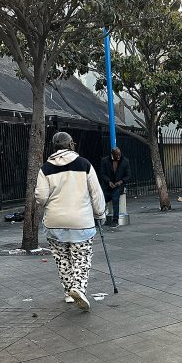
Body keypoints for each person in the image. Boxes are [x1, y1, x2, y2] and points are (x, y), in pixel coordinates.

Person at [36, 132, 106, 311]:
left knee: (62, 258)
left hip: (54, 221)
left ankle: (68, 292)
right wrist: (100, 213)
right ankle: (79, 288)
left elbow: (41, 197)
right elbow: (96, 192)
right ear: (71, 145)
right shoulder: (84, 165)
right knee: (81, 257)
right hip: (81, 221)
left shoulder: (45, 169)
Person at [99, 147, 131, 227]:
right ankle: (100, 219)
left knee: (115, 201)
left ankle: (115, 220)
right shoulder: (105, 161)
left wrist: (120, 182)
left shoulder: (125, 161)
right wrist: (108, 181)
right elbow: (102, 174)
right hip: (107, 185)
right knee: (102, 201)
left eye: (119, 154)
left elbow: (128, 175)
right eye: (117, 155)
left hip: (118, 186)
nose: (119, 156)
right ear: (112, 154)